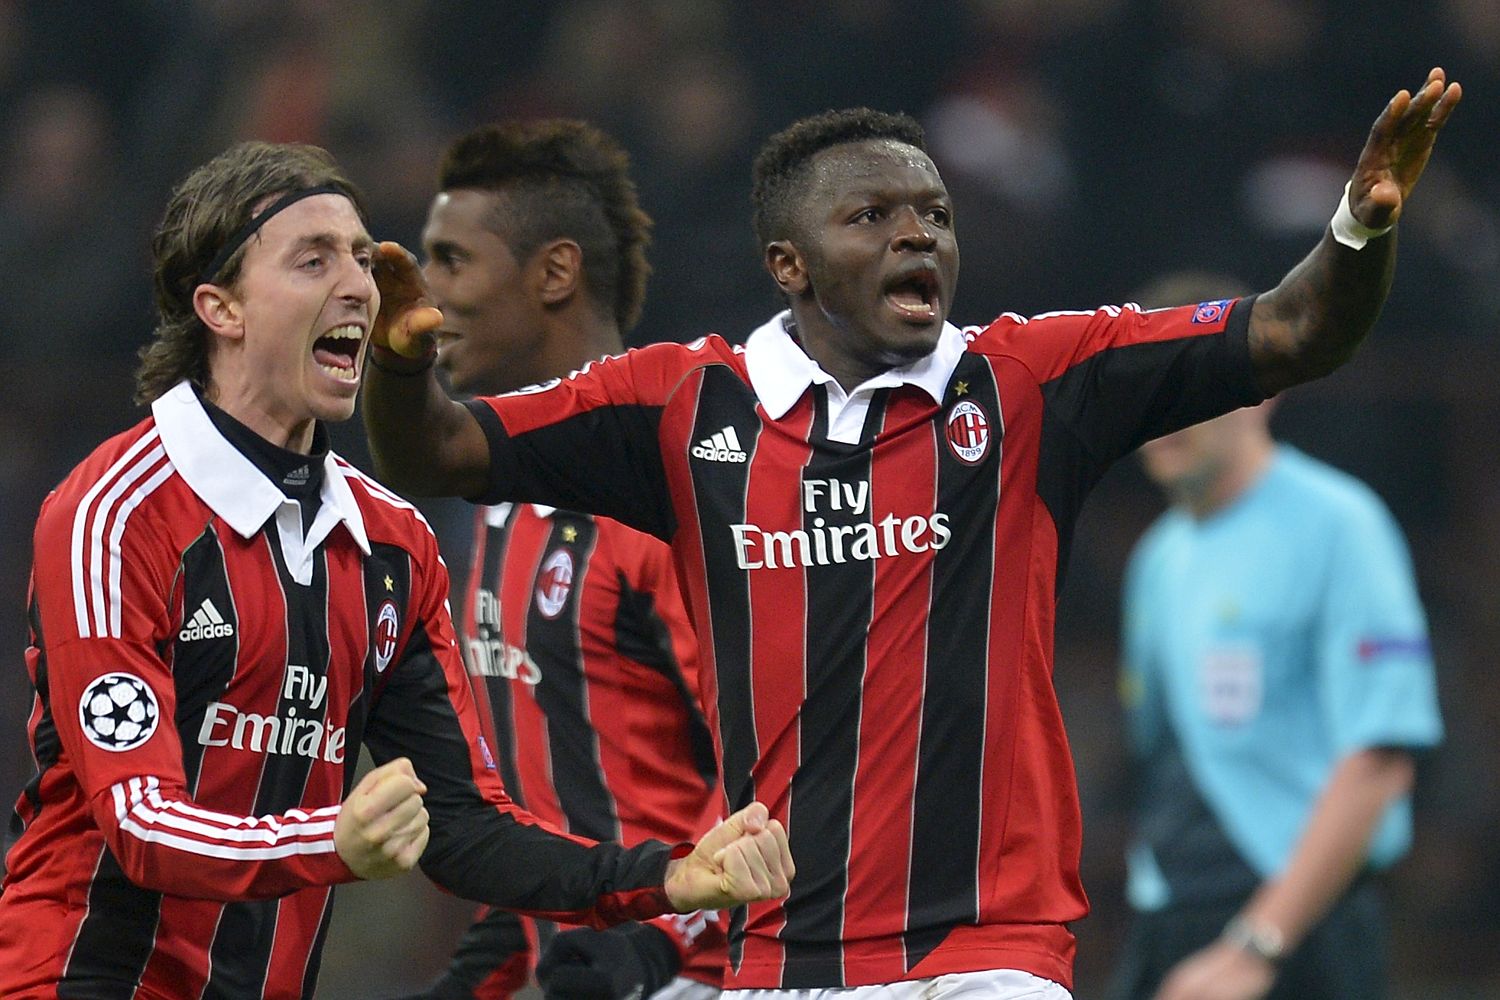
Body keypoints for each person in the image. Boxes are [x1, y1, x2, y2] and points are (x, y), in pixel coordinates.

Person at [362, 69, 1461, 998]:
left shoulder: (1030, 380)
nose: (916, 235)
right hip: (778, 960)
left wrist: (1359, 224)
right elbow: (435, 454)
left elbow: (1298, 328)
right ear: (788, 263)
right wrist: (404, 364)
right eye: (872, 217)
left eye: (933, 213)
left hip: (991, 953)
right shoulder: (685, 407)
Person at [0, 141, 792, 1000]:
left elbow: (464, 826)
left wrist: (667, 879)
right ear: (220, 307)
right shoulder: (114, 514)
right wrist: (331, 843)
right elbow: (138, 822)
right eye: (313, 259)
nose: (360, 285)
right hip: (79, 979)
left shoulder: (392, 544)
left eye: (360, 256)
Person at [400, 121, 728, 1000]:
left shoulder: (665, 501)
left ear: (554, 272)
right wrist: (486, 970)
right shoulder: (489, 511)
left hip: (709, 976)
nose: (424, 298)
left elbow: (786, 780)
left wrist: (646, 947)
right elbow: (548, 814)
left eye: (452, 262)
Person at [1107, 273, 1443, 1000]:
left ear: (1263, 386)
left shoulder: (1340, 526)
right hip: (1168, 920)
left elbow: (1381, 762)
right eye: (1150, 388)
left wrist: (1257, 946)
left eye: (1190, 386)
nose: (1166, 415)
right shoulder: (1157, 559)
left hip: (1292, 936)